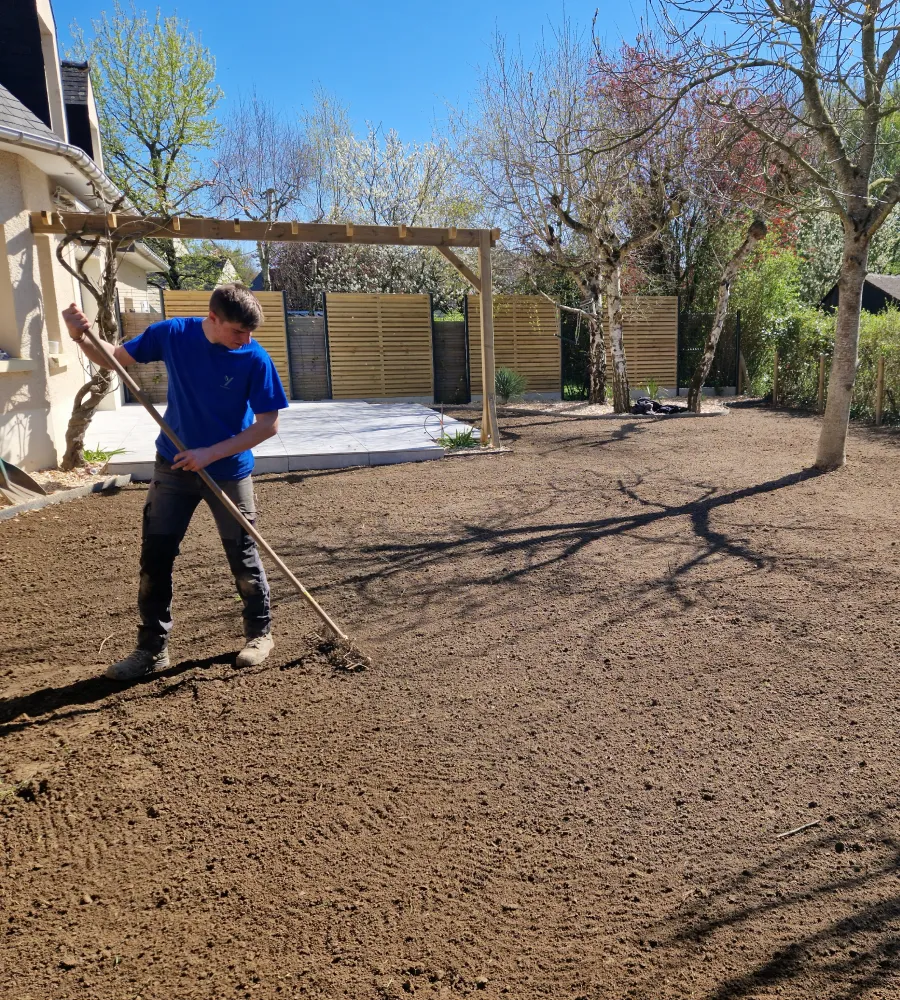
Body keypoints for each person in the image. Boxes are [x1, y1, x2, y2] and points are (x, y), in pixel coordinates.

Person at [62, 284, 289, 681]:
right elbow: (114, 359)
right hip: (173, 465)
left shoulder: (255, 357)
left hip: (228, 470)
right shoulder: (172, 333)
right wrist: (81, 337)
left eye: (250, 332)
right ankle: (151, 650)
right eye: (238, 331)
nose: (245, 340)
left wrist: (209, 454)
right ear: (213, 318)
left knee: (243, 555)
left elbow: (268, 424)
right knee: (156, 557)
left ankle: (259, 634)